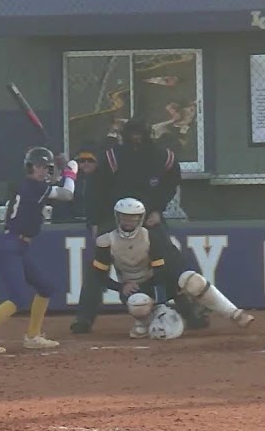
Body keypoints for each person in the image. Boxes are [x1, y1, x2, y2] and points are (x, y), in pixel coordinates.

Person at [73, 118, 205, 334]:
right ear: (125, 136)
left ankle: (192, 311)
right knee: (97, 268)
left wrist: (157, 209)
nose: (136, 139)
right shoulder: (113, 156)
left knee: (173, 262)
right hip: (113, 217)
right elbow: (96, 189)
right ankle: (84, 318)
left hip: (149, 216)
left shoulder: (161, 156)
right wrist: (96, 221)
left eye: (139, 135)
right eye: (132, 135)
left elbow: (172, 180)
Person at [79, 197, 253, 339]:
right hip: (134, 290)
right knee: (137, 303)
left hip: (157, 282)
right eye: (124, 216)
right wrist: (121, 287)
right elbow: (98, 275)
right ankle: (144, 322)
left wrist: (161, 302)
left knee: (192, 280)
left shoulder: (151, 237)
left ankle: (235, 314)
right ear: (117, 217)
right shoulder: (105, 242)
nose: (128, 220)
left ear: (140, 218)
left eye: (133, 217)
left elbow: (161, 272)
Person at [0, 146, 78, 354]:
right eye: (42, 167)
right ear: (32, 167)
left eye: (46, 168)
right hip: (11, 245)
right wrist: (71, 171)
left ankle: (33, 336)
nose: (45, 171)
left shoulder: (33, 185)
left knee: (45, 288)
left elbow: (52, 184)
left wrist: (62, 167)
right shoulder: (34, 187)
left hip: (21, 245)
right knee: (18, 298)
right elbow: (67, 194)